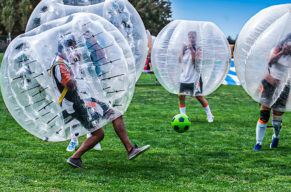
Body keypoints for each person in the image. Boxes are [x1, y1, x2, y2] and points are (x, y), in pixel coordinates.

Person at [50, 34, 150, 167]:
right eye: (73, 47)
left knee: (114, 114)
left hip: (81, 101)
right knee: (99, 134)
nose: (75, 50)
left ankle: (130, 149)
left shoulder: (63, 61)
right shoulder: (60, 65)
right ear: (66, 48)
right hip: (76, 105)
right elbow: (71, 85)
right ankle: (75, 157)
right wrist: (74, 64)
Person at [253, 33, 291, 151]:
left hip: (284, 87)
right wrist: (282, 52)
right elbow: (269, 62)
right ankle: (258, 143)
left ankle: (276, 136)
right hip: (269, 84)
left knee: (276, 120)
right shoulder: (276, 50)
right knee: (264, 114)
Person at [178, 31, 214, 122]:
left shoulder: (199, 49)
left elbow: (195, 62)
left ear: (196, 38)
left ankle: (209, 114)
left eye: (193, 37)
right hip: (184, 76)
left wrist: (192, 51)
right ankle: (183, 116)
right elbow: (179, 60)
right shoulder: (185, 48)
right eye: (190, 37)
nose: (191, 39)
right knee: (181, 96)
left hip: (195, 78)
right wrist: (182, 50)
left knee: (199, 97)